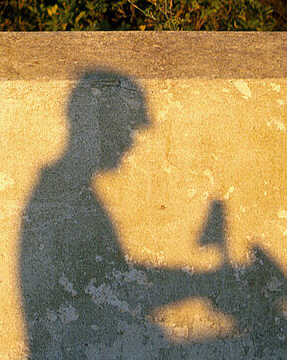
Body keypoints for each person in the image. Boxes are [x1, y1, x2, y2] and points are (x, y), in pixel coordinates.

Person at [20, 70, 238, 358]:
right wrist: (200, 284)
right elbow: (114, 283)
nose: (130, 142)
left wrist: (198, 284)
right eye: (126, 128)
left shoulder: (68, 191)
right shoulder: (63, 198)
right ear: (94, 124)